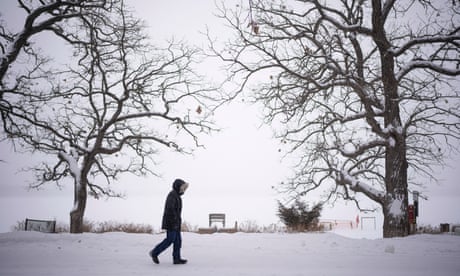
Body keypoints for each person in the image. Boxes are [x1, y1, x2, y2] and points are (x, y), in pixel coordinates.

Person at [149, 179, 189, 265]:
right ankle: (154, 252)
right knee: (170, 239)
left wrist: (177, 221)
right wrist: (174, 221)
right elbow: (170, 210)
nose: (183, 190)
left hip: (176, 222)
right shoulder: (172, 195)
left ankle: (177, 259)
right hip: (171, 222)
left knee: (178, 241)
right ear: (178, 186)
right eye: (182, 188)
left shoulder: (177, 196)